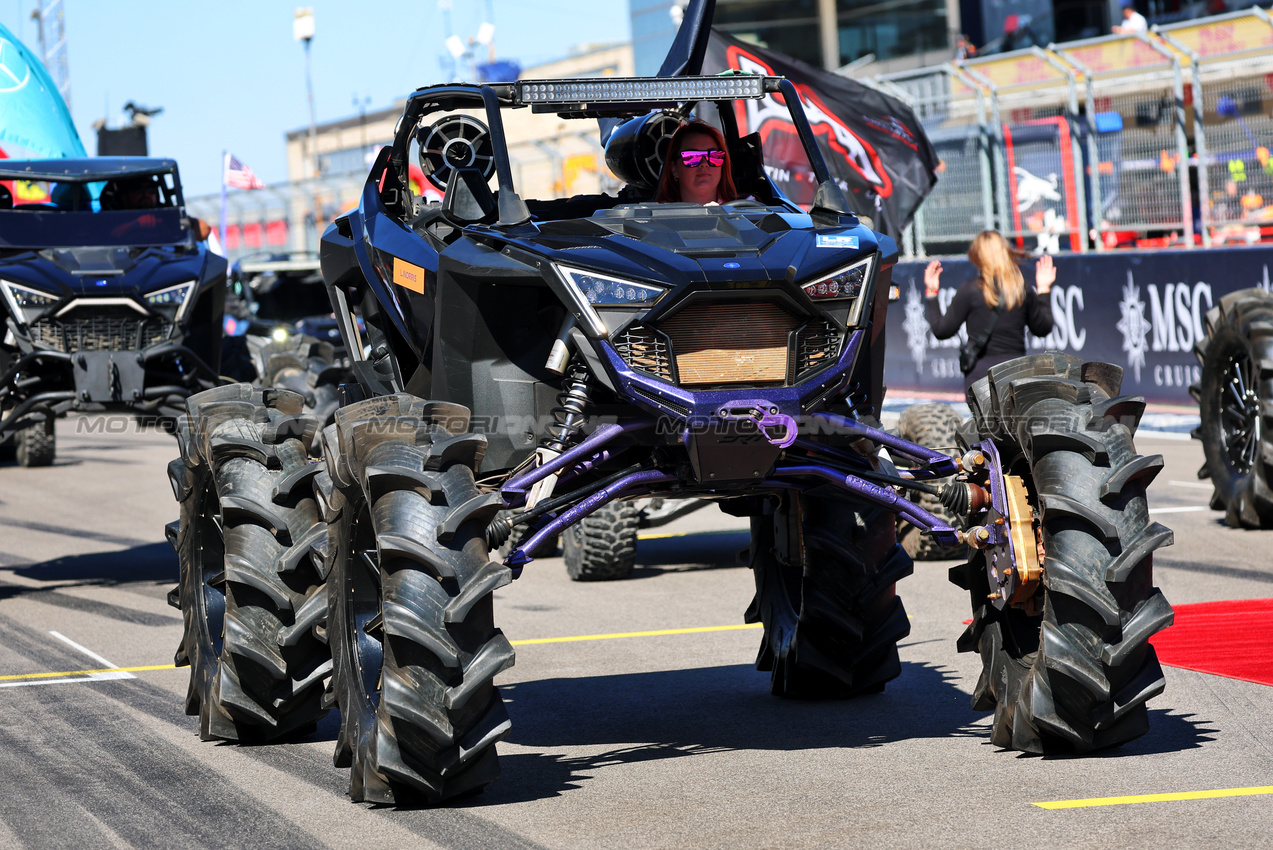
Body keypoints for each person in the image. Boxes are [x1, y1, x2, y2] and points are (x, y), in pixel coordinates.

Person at [923, 230, 1056, 388]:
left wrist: (931, 293)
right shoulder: (1022, 289)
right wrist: (1043, 288)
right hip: (1016, 377)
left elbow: (942, 330)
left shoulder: (970, 290)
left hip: (981, 381)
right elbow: (1042, 328)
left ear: (977, 256)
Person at [654, 120, 740, 205]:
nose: (704, 163)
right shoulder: (653, 216)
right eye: (692, 156)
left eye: (713, 156)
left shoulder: (746, 211)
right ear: (674, 168)